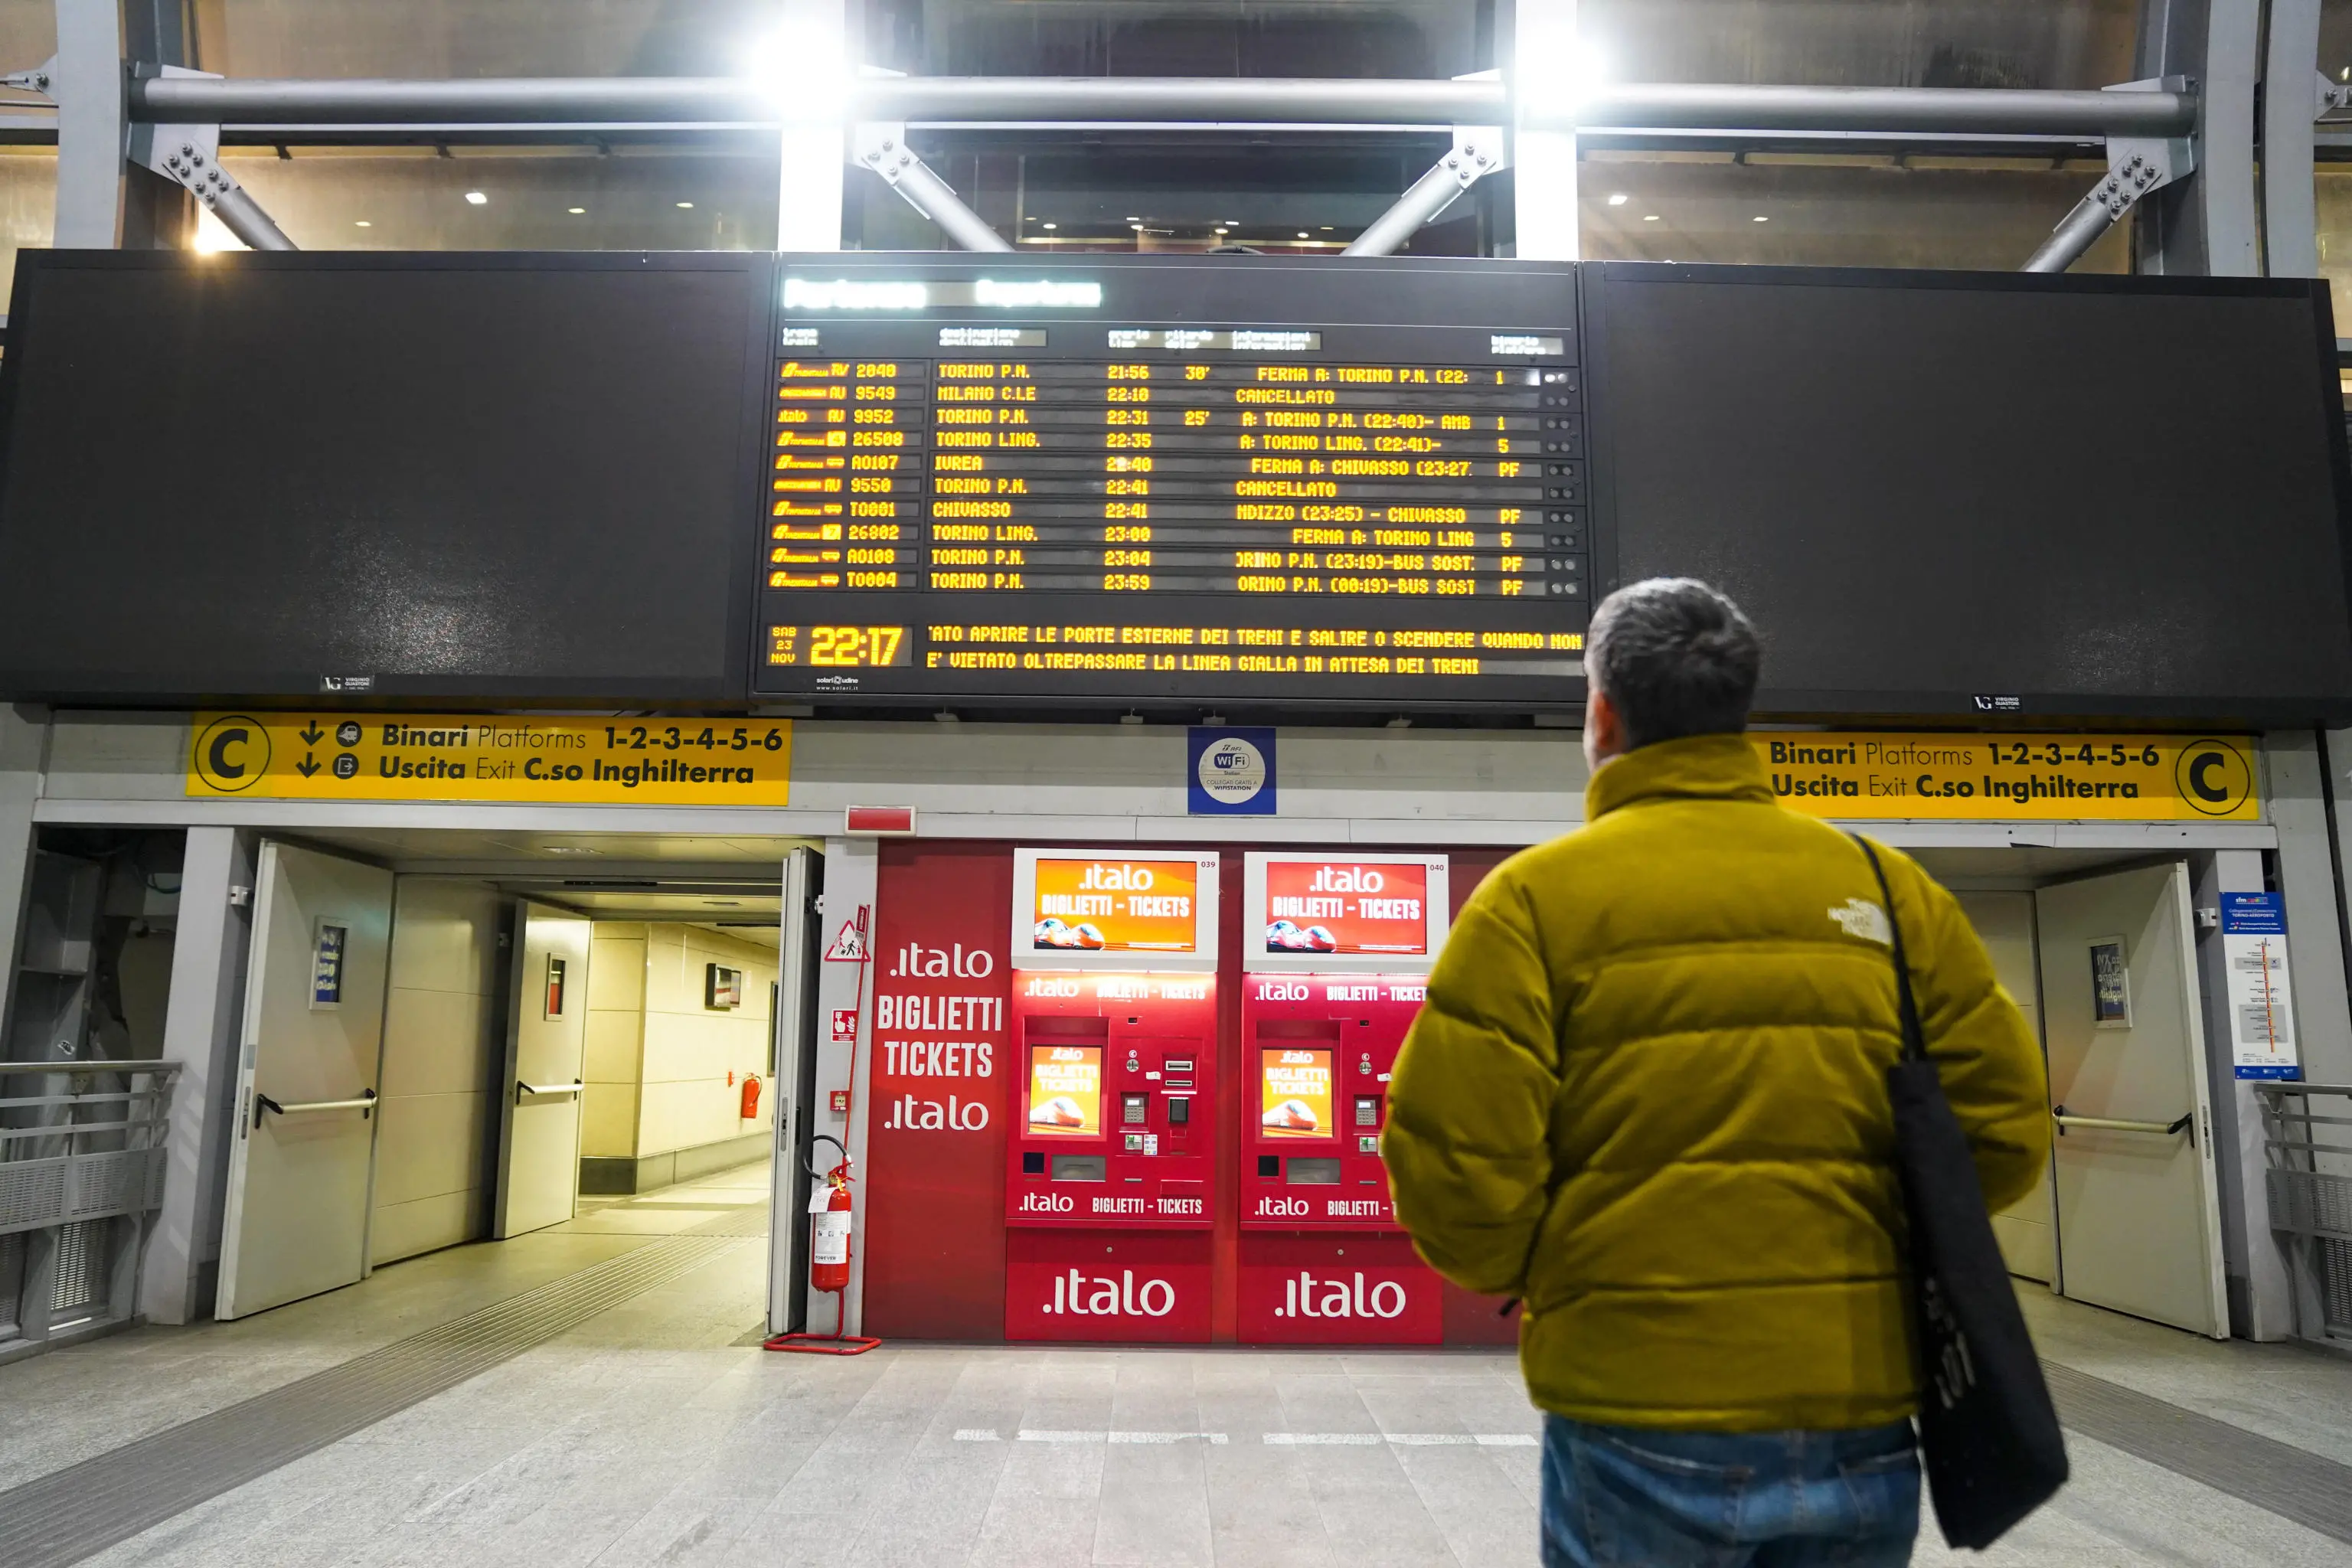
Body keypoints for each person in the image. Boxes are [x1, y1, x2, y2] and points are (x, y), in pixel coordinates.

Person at [1381, 577, 2050, 1568]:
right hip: (1860, 1405)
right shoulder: (1886, 887)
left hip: (1633, 1401)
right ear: (1741, 709)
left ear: (1603, 714)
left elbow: (1457, 1171)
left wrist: (1556, 1275)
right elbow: (2003, 1131)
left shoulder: (1530, 903)